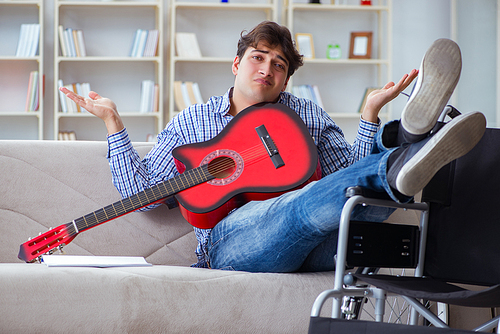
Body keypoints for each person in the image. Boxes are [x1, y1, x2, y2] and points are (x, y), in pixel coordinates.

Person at [61, 21, 485, 273]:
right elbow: (143, 197)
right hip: (232, 244)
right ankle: (403, 149)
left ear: (285, 80)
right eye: (258, 57)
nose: (267, 69)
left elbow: (348, 173)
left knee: (356, 207)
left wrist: (370, 114)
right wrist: (113, 123)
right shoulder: (191, 122)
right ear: (237, 64)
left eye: (278, 65)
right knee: (299, 206)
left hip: (319, 239)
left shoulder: (307, 116)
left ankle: (404, 143)